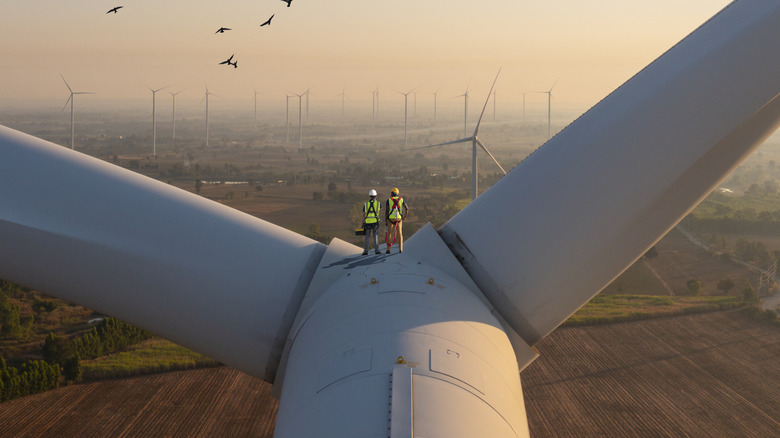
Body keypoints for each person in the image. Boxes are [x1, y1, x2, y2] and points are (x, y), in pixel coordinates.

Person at [385, 187, 409, 254]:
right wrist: (404, 217)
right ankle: (400, 249)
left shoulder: (389, 200)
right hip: (399, 219)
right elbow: (407, 208)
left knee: (389, 234)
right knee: (400, 234)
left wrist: (386, 220)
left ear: (392, 193)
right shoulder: (401, 199)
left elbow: (386, 211)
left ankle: (388, 250)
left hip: (391, 219)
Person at [362, 189, 382, 255]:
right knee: (375, 236)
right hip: (375, 223)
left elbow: (363, 215)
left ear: (369, 195)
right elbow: (379, 211)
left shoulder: (366, 204)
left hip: (367, 223)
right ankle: (377, 251)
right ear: (375, 195)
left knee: (367, 237)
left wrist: (362, 223)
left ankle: (365, 251)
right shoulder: (378, 204)